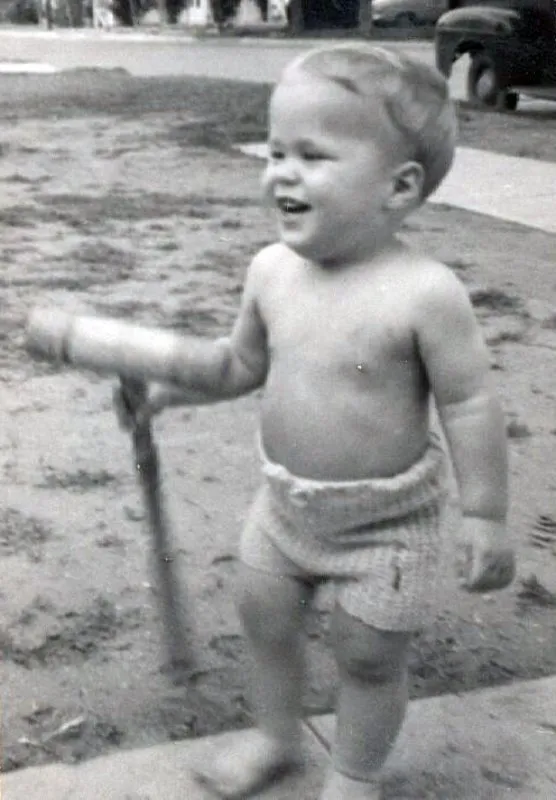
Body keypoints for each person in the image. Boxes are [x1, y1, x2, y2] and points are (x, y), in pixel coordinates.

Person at [115, 44, 515, 800]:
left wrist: (487, 514)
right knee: (264, 623)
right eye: (275, 151)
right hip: (284, 508)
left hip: (386, 525)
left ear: (398, 188)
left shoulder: (424, 293)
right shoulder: (271, 270)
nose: (281, 172)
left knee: (367, 655)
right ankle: (276, 739)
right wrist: (169, 393)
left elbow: (468, 403)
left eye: (312, 155)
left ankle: (354, 776)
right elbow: (239, 364)